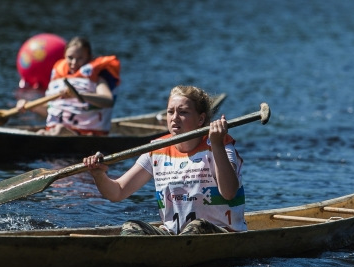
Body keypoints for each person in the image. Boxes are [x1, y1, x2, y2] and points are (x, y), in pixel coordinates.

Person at [83, 85, 246, 235]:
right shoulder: (157, 149)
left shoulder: (221, 145)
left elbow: (229, 193)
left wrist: (217, 143)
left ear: (201, 119)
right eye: (170, 112)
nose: (175, 118)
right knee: (130, 228)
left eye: (183, 112)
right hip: (174, 235)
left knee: (197, 227)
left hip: (217, 232)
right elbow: (117, 192)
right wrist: (99, 175)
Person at [17, 36, 120, 136]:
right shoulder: (58, 77)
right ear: (64, 56)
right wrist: (30, 106)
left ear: (89, 57)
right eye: (70, 58)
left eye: (80, 58)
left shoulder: (97, 77)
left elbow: (108, 101)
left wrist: (78, 95)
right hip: (57, 130)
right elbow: (51, 110)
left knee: (59, 130)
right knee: (43, 133)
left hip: (88, 134)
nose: (74, 63)